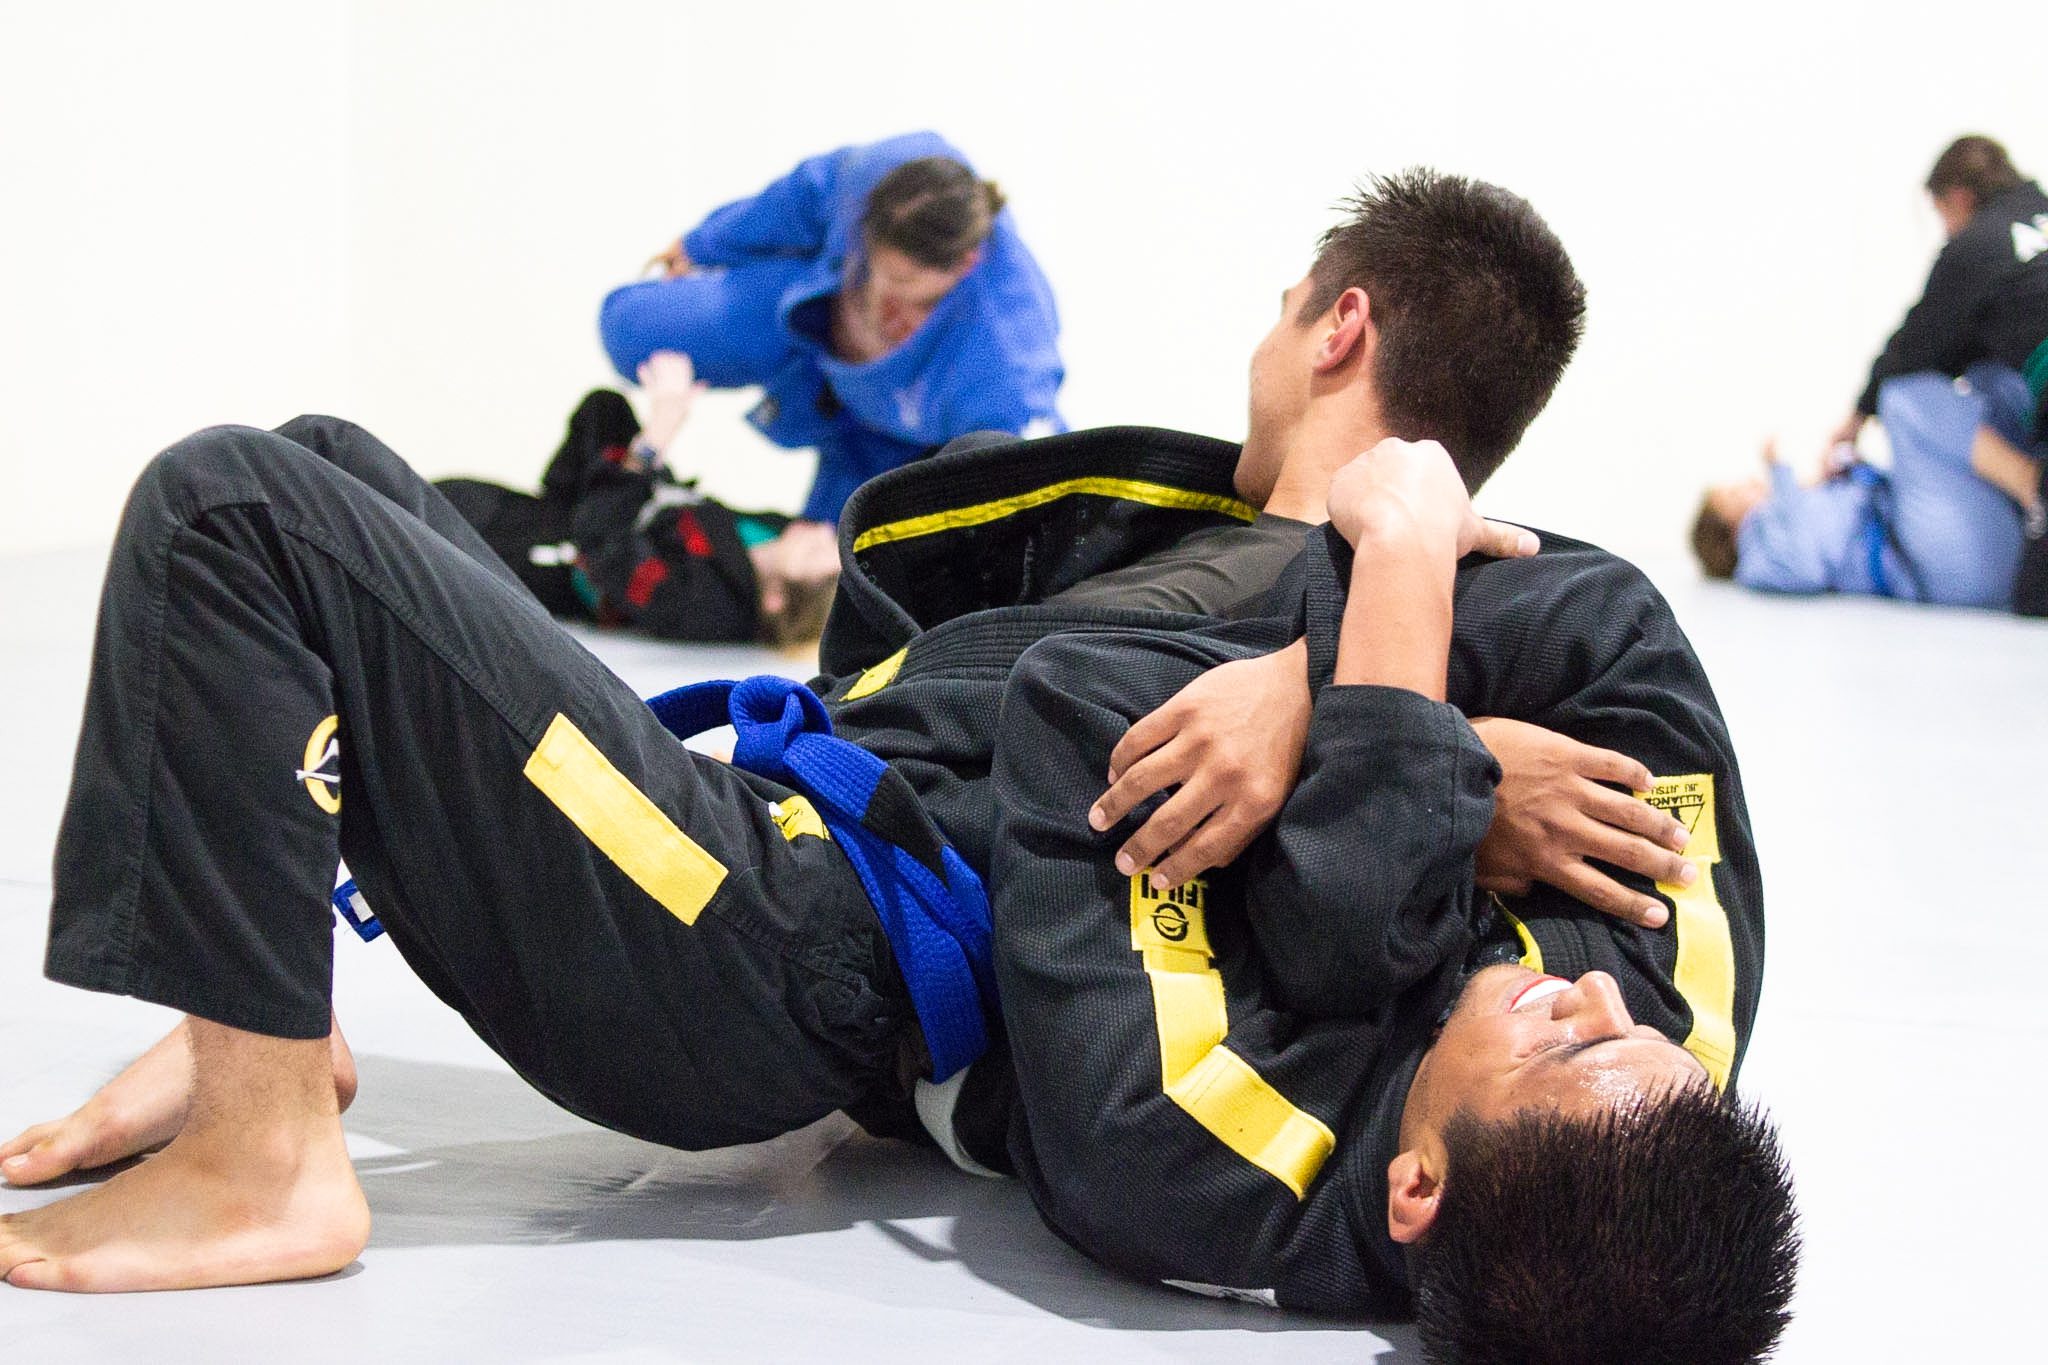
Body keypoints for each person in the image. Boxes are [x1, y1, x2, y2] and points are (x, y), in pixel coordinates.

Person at [2, 170, 1796, 1361]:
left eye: (1569, 1055)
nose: (1587, 1007)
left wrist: (1358, 663)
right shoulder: (1659, 1036)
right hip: (800, 833)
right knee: (333, 465)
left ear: (1331, 325)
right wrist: (1372, 701)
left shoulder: (1204, 1159)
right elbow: (1607, 642)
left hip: (768, 935)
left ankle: (266, 1172)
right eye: (1626, 1030)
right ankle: (268, 1025)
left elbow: (1100, 745)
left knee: (235, 505)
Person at [598, 131, 1065, 607]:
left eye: (908, 291)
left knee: (831, 592)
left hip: (890, 447)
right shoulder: (885, 175)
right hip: (805, 328)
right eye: (875, 272)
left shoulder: (1009, 364)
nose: (885, 305)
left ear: (966, 265)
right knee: (631, 332)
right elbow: (796, 202)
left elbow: (1016, 497)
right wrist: (704, 245)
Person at [1741, 134, 2048, 607]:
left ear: (1958, 199)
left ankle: (2032, 483)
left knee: (1905, 394)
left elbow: (1914, 347)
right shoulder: (2038, 208)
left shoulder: (1974, 245)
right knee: (1989, 375)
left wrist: (1855, 419)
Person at [436, 357, 834, 647]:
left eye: (815, 552)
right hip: (609, 507)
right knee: (605, 408)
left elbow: (607, 545)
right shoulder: (775, 531)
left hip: (558, 555)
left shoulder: (707, 607)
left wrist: (655, 439)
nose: (820, 531)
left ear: (775, 599)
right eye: (826, 536)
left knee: (445, 511)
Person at [1689, 368, 2042, 605]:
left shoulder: (1790, 512)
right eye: (1735, 494)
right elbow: (1802, 567)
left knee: (1992, 378)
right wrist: (1779, 472)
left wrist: (1847, 471)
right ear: (1728, 532)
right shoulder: (1757, 556)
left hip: (1940, 544)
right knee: (1902, 399)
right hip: (1939, 566)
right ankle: (2036, 483)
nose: (1749, 483)